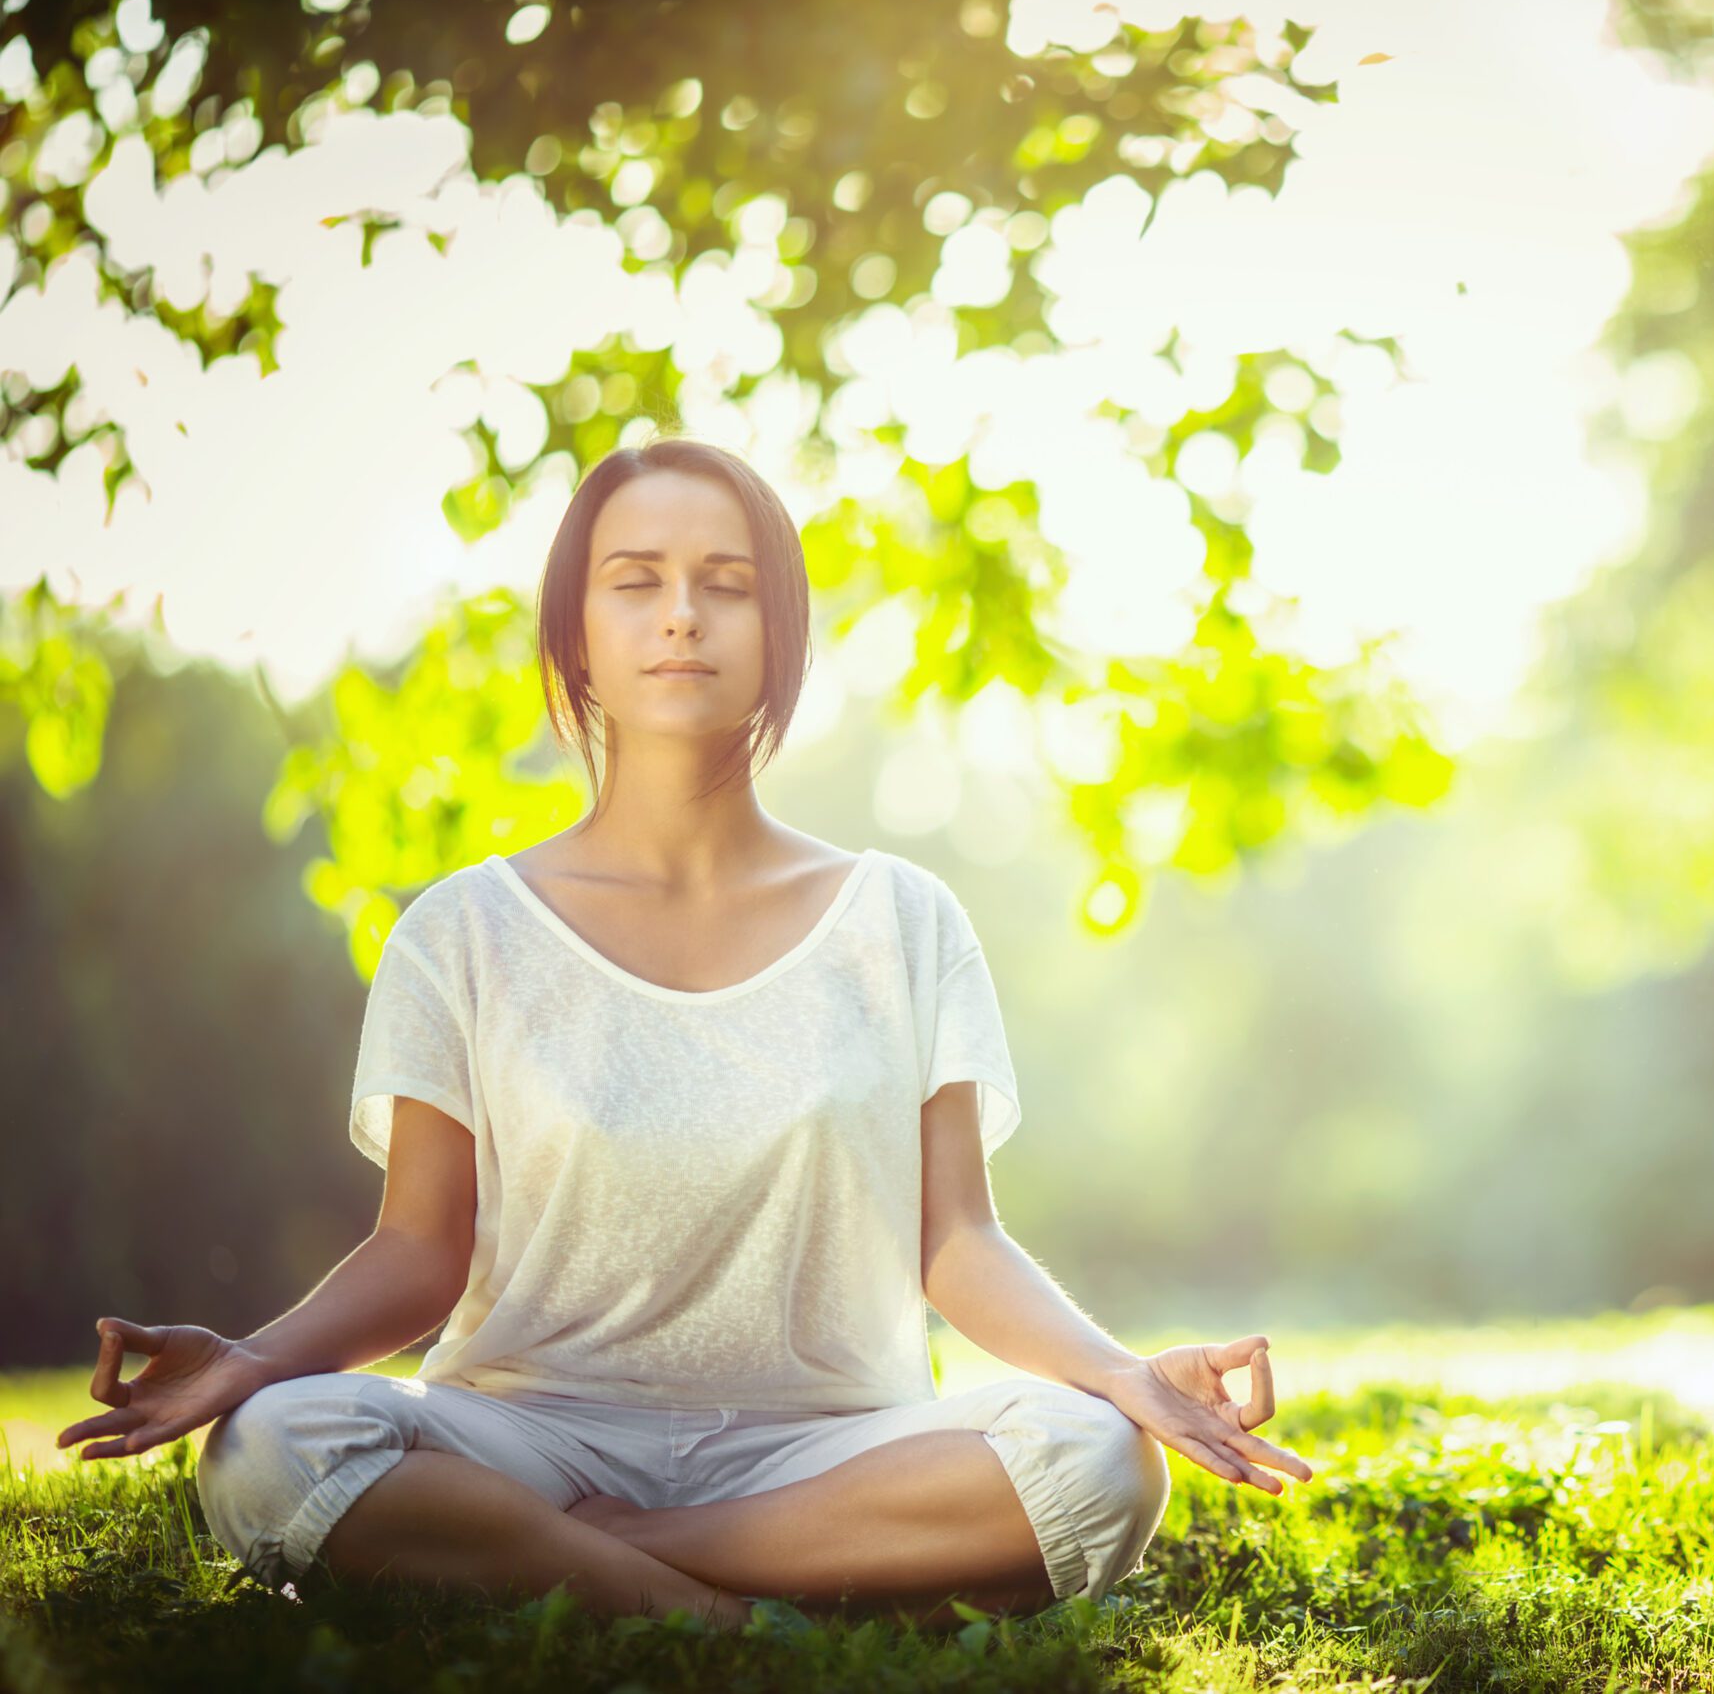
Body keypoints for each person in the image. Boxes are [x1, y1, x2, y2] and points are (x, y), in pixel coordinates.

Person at [55, 436, 1315, 1631]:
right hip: (529, 1433)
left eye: (727, 585)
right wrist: (255, 1359)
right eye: (635, 581)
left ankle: (596, 1565)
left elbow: (958, 1239)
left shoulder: (902, 919)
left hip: (830, 1442)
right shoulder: (462, 932)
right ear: (578, 632)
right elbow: (418, 1250)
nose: (681, 616)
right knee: (273, 1449)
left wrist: (1124, 1376)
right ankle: (737, 1615)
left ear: (780, 634)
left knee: (1098, 1462)